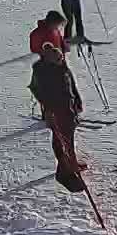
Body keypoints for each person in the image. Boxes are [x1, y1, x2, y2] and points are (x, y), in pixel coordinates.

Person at [28, 43, 86, 179]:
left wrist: (77, 101)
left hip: (68, 107)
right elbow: (38, 90)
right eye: (58, 58)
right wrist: (48, 110)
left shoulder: (62, 68)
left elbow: (71, 85)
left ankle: (69, 162)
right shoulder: (45, 73)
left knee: (65, 137)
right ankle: (69, 165)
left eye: (61, 57)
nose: (62, 60)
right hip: (57, 110)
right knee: (64, 138)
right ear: (49, 59)